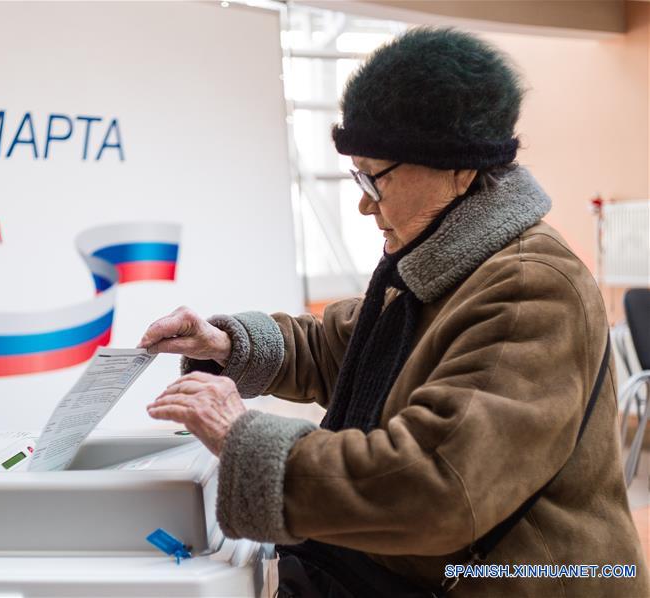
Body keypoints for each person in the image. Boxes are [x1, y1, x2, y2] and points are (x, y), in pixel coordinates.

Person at [139, 27, 649, 597]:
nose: (363, 203)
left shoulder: (530, 289)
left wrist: (243, 438)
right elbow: (350, 352)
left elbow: (434, 486)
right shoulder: (447, 261)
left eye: (373, 178)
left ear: (457, 168)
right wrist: (227, 345)